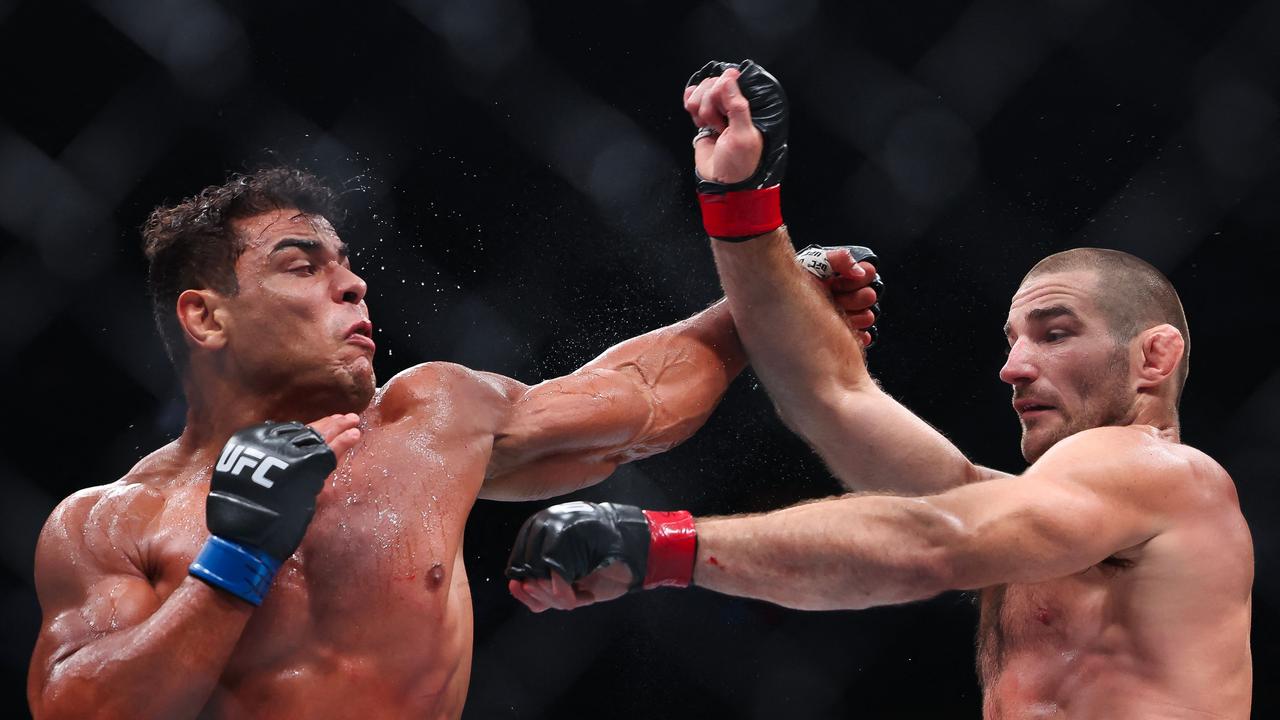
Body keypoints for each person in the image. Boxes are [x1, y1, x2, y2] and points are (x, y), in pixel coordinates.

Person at [506, 61, 1254, 718]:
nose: (1014, 367)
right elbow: (834, 397)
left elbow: (931, 544)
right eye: (1012, 341)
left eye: (1055, 334)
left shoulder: (1167, 476)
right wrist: (743, 205)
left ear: (1153, 358)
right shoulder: (1042, 521)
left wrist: (659, 543)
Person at [25, 166, 884, 718]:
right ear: (207, 315)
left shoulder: (428, 421)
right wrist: (235, 560)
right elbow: (78, 711)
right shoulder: (110, 521)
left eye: (347, 262)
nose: (353, 282)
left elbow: (641, 400)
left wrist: (766, 308)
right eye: (302, 266)